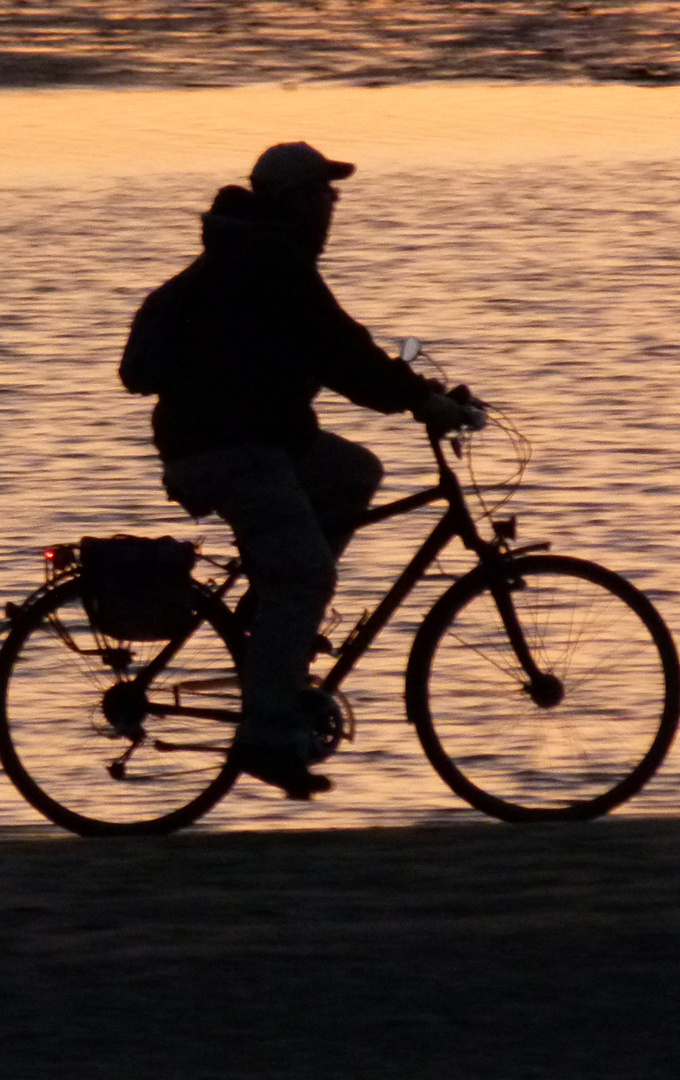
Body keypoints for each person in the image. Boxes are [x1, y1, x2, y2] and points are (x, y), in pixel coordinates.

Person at [118, 141, 484, 798]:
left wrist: (411, 392)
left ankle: (273, 622)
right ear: (294, 203)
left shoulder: (259, 255)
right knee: (306, 574)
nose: (333, 205)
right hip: (228, 448)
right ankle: (266, 737)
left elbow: (341, 350)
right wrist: (419, 400)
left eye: (332, 194)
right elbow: (342, 353)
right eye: (323, 193)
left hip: (258, 439)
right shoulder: (270, 262)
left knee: (353, 473)